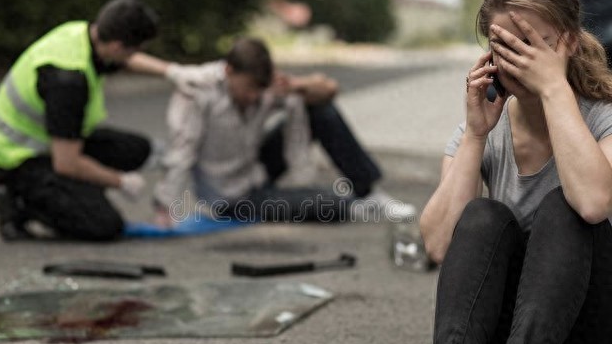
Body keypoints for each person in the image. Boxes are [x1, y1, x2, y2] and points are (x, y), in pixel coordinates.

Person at [420, 0, 612, 344]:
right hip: (508, 339)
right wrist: (475, 136)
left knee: (566, 208)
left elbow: (593, 204)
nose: (519, 61)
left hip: (594, 340)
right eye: (506, 46)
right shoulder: (483, 128)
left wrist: (554, 88)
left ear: (569, 42)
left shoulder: (603, 116)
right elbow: (438, 245)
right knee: (482, 215)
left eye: (533, 44)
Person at [0, 0, 183, 241]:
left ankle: (76, 191)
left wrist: (173, 72)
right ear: (117, 47)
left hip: (48, 140)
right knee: (104, 225)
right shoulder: (67, 82)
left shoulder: (84, 35)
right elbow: (66, 163)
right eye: (134, 50)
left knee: (136, 150)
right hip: (17, 158)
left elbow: (128, 62)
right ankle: (20, 201)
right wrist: (120, 181)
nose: (135, 56)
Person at [147, 37, 413, 225]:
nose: (254, 97)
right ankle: (351, 204)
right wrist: (165, 205)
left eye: (259, 90)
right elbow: (182, 151)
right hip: (229, 196)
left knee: (321, 111)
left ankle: (368, 191)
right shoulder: (197, 91)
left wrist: (295, 85)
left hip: (255, 168)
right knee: (328, 204)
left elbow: (329, 91)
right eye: (249, 89)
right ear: (228, 71)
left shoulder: (263, 85)